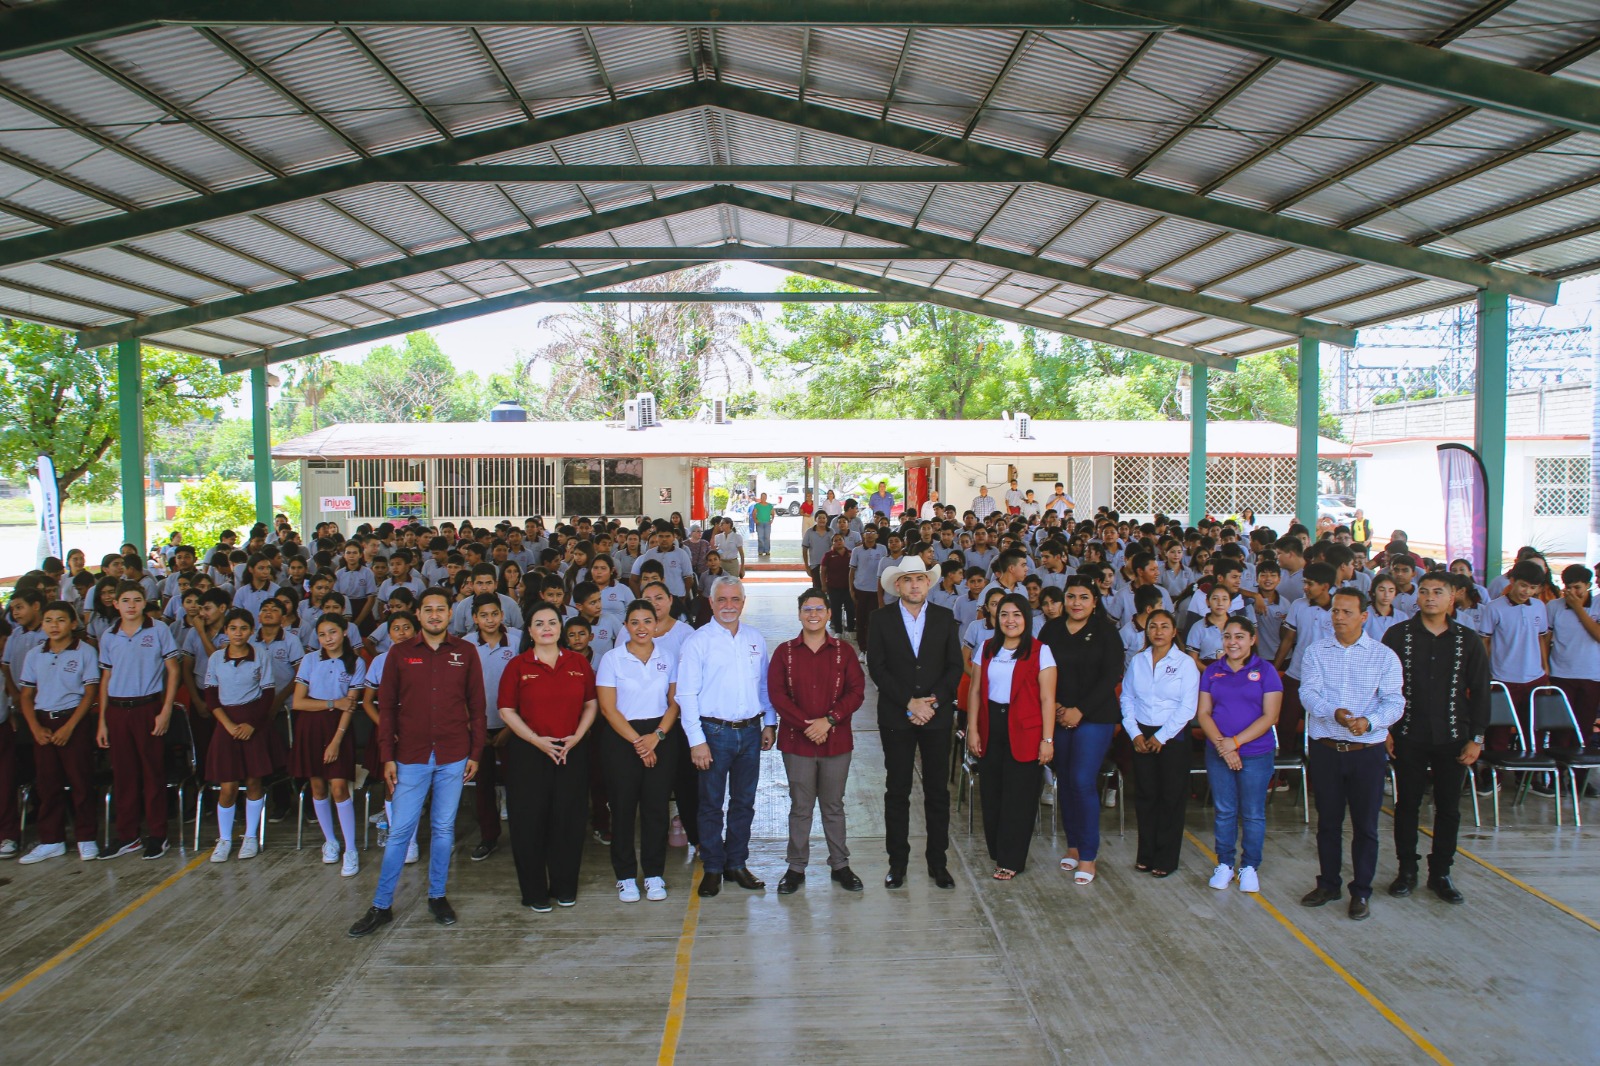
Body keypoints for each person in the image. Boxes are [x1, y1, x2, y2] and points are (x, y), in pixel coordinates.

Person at [349, 587, 486, 938]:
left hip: (454, 755)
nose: (435, 615)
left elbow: (477, 707)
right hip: (410, 755)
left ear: (450, 614)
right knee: (400, 832)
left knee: (443, 828)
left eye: (441, 609)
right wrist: (387, 756)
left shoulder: (466, 652)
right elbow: (386, 709)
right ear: (418, 614)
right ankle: (381, 905)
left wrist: (475, 752)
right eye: (428, 609)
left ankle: (437, 896)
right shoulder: (399, 653)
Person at [1382, 573, 1490, 905]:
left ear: (1451, 598)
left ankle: (1441, 873)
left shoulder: (1467, 640)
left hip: (1453, 736)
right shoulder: (1397, 635)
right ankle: (1406, 871)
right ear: (1417, 597)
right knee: (1407, 805)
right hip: (1407, 734)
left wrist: (1477, 739)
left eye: (1438, 592)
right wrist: (1385, 729)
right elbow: (1382, 686)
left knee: (1448, 808)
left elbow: (1481, 692)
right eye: (1425, 591)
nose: (1430, 597)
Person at [1298, 588, 1404, 921]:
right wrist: (1335, 713)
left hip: (1366, 752)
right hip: (1327, 749)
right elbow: (1308, 693)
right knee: (1328, 822)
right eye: (1335, 611)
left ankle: (1361, 891)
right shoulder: (1316, 651)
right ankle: (1329, 884)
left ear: (1363, 616)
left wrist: (1369, 721)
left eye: (1346, 612)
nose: (1339, 617)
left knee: (1366, 826)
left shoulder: (1384, 656)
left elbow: (1395, 702)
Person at [866, 556, 964, 890]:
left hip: (936, 717)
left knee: (937, 792)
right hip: (897, 716)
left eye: (920, 579)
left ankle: (938, 862)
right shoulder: (880, 619)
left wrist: (932, 702)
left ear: (928, 583)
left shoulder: (945, 618)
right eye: (907, 579)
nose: (914, 585)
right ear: (897, 585)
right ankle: (898, 863)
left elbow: (954, 667)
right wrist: (909, 702)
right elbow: (877, 667)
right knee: (897, 791)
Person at [678, 576, 775, 897]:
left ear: (743, 602)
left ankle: (736, 863)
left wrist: (769, 723)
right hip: (713, 733)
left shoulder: (755, 638)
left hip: (750, 732)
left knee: (744, 802)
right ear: (711, 602)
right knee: (710, 804)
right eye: (722, 599)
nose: (728, 606)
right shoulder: (697, 642)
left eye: (735, 599)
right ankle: (713, 867)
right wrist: (697, 741)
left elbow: (764, 685)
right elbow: (686, 694)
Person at [498, 603, 600, 911]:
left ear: (560, 628)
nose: (546, 628)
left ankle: (565, 887)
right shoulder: (518, 666)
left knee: (568, 821)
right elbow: (506, 710)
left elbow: (591, 704)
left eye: (552, 622)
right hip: (529, 753)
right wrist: (535, 740)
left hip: (570, 750)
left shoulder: (577, 663)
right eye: (539, 623)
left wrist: (577, 736)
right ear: (529, 631)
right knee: (529, 823)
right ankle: (534, 892)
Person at [769, 588, 867, 894]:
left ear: (828, 613)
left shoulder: (844, 652)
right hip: (797, 744)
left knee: (833, 805)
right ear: (799, 614)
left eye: (819, 609)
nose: (813, 614)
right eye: (807, 609)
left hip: (836, 742)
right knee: (800, 807)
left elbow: (856, 691)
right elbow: (777, 695)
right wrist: (807, 726)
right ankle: (796, 868)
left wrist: (829, 720)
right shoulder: (784, 652)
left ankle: (840, 865)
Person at [1040, 576, 1125, 885]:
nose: (1076, 603)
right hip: (1059, 714)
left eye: (1084, 597)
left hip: (1095, 716)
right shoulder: (1051, 630)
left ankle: (1088, 856)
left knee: (1082, 780)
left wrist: (1080, 710)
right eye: (1071, 597)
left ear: (1095, 601)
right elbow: (1042, 670)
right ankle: (1073, 846)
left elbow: (1111, 675)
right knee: (1064, 780)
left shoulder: (1106, 631)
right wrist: (1057, 705)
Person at [596, 599, 680, 903]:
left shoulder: (668, 657)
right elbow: (608, 709)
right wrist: (639, 743)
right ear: (626, 626)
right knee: (622, 809)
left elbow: (674, 703)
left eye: (647, 621)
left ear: (656, 625)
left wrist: (656, 736)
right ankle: (625, 876)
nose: (641, 628)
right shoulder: (612, 659)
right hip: (623, 738)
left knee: (656, 808)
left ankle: (654, 874)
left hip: (659, 736)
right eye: (635, 622)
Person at [967, 594, 1056, 880]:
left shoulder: (1041, 651)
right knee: (992, 793)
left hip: (1026, 730)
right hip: (991, 725)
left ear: (1026, 618)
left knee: (1019, 798)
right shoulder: (985, 648)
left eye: (1017, 614)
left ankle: (1011, 859)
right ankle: (998, 851)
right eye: (1004, 614)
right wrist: (973, 729)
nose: (1010, 620)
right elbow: (975, 691)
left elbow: (1047, 699)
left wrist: (1047, 739)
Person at [97, 581, 182, 860]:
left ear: (145, 603)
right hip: (117, 710)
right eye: (125, 600)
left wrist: (166, 710)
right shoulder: (109, 635)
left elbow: (173, 670)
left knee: (152, 773)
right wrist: (102, 720)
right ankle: (128, 836)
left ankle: (158, 835)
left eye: (136, 600)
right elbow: (106, 678)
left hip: (148, 707)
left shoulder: (158, 630)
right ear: (115, 604)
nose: (131, 605)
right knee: (124, 775)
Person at [1196, 618, 1281, 894]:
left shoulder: (1266, 671)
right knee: (1224, 811)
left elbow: (1270, 716)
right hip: (1219, 753)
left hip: (1256, 754)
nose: (1233, 642)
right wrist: (1223, 747)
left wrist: (1235, 743)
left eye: (1240, 636)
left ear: (1252, 640)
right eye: (1227, 636)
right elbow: (1204, 713)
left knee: (1253, 813)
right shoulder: (1212, 671)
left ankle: (1249, 866)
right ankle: (1225, 863)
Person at [14, 602, 100, 863]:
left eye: (61, 620)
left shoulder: (85, 651)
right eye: (49, 620)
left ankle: (86, 838)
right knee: (47, 784)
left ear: (73, 624)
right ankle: (52, 840)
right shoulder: (35, 654)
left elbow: (90, 693)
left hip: (73, 721)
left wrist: (69, 726)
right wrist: (35, 727)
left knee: (81, 781)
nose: (54, 625)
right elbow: (26, 695)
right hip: (43, 722)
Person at [1120, 610, 1199, 878]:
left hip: (1173, 735)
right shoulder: (1138, 660)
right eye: (1153, 626)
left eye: (1165, 627)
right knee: (1146, 796)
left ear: (1174, 632)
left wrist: (1161, 737)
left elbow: (1188, 707)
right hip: (1141, 734)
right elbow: (1127, 698)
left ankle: (1166, 858)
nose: (1158, 631)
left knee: (1171, 797)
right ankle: (1145, 855)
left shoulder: (1185, 663)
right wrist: (1135, 733)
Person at [292, 613, 366, 877]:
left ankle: (350, 849)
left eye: (332, 632)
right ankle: (331, 841)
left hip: (339, 728)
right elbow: (298, 702)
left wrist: (336, 741)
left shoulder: (356, 662)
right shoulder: (310, 660)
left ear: (345, 632)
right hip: (310, 725)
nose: (328, 639)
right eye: (322, 635)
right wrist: (332, 703)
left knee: (339, 787)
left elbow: (350, 706)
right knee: (317, 786)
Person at [202, 608, 276, 863]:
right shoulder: (216, 658)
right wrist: (227, 724)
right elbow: (211, 696)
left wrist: (251, 725)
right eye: (233, 628)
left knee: (254, 782)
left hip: (253, 722)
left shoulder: (260, 655)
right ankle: (224, 839)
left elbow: (267, 695)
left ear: (252, 631)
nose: (238, 633)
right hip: (226, 724)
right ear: (226, 631)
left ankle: (251, 836)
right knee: (228, 786)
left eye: (244, 628)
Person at [464, 594, 523, 862]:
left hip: (513, 726)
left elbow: (525, 687)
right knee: (483, 785)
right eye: (484, 615)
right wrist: (471, 724)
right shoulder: (466, 645)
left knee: (518, 784)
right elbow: (458, 689)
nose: (490, 620)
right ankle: (489, 837)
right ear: (475, 618)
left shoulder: (518, 641)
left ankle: (522, 836)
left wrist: (511, 727)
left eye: (494, 614)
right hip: (477, 726)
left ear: (502, 615)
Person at [1548, 564, 1600, 796]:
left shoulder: (1598, 604)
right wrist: (1546, 669)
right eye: (1568, 587)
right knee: (1560, 729)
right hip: (1560, 674)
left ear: (1588, 586)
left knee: (1584, 730)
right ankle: (1556, 779)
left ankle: (1580, 780)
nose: (1572, 592)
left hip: (1591, 675)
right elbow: (1546, 638)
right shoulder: (1554, 606)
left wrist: (1579, 608)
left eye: (1577, 588)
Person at [752, 493, 775, 557]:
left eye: (764, 497)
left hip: (767, 523)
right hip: (759, 523)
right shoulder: (757, 505)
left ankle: (767, 551)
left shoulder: (770, 505)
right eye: (762, 497)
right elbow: (754, 513)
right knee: (760, 537)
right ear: (760, 497)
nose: (763, 498)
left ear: (766, 497)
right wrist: (755, 520)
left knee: (767, 537)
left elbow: (773, 513)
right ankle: (760, 551)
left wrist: (772, 519)